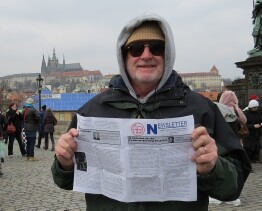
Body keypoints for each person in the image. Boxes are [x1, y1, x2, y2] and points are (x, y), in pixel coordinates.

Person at [51, 14, 251, 211]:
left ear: (168, 54)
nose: (146, 55)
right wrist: (64, 164)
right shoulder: (92, 110)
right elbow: (65, 181)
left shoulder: (202, 109)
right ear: (124, 56)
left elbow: (233, 187)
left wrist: (213, 169)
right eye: (136, 49)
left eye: (157, 48)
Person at [243, 99, 262, 164]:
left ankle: (251, 160)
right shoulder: (245, 113)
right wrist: (253, 126)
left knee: (256, 148)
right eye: (254, 107)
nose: (255, 109)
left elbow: (259, 120)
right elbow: (244, 125)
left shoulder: (258, 112)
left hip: (256, 134)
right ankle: (247, 163)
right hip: (248, 135)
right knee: (248, 149)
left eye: (256, 107)